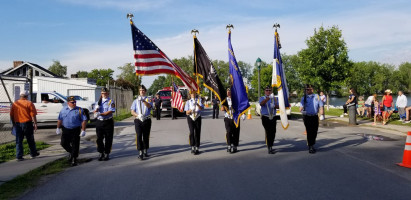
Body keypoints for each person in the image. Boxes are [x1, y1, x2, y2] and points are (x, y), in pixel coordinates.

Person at [56, 96, 88, 166]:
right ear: (68, 103)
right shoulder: (63, 110)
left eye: (75, 102)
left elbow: (84, 120)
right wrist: (58, 128)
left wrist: (83, 130)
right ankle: (72, 152)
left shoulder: (79, 110)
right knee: (63, 143)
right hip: (65, 129)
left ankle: (74, 159)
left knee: (75, 144)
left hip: (75, 129)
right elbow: (60, 119)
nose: (74, 103)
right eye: (72, 102)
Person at [10, 91, 39, 161]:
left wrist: (13, 123)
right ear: (26, 96)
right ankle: (33, 153)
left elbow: (11, 114)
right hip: (27, 123)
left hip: (18, 124)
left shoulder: (15, 103)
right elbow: (33, 115)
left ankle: (19, 156)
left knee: (19, 140)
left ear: (20, 96)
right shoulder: (29, 103)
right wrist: (35, 123)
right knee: (30, 139)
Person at [131, 85, 153, 160]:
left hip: (146, 119)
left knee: (146, 136)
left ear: (145, 91)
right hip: (138, 120)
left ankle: (145, 150)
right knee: (139, 135)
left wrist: (143, 101)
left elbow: (150, 106)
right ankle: (140, 152)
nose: (142, 91)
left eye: (143, 90)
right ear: (139, 91)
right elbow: (132, 111)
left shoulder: (149, 99)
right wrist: (137, 115)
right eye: (140, 90)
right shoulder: (135, 101)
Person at [299, 84, 323, 154]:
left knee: (315, 131)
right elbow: (300, 108)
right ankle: (310, 146)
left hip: (315, 116)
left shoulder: (317, 97)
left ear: (312, 89)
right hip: (307, 117)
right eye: (306, 89)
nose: (307, 90)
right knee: (309, 131)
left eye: (308, 89)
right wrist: (302, 111)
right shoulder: (304, 98)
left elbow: (321, 106)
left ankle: (312, 143)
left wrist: (321, 114)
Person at [94, 87, 115, 161]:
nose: (104, 94)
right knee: (99, 138)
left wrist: (101, 113)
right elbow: (95, 112)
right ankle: (101, 152)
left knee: (108, 138)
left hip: (108, 121)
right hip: (99, 121)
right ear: (101, 94)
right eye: (103, 93)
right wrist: (96, 110)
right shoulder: (98, 102)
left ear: (108, 93)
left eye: (106, 93)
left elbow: (111, 111)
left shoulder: (110, 101)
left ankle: (107, 153)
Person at [259, 86, 279, 154]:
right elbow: (262, 103)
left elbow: (279, 106)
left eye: (269, 90)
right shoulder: (262, 98)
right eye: (267, 90)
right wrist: (268, 98)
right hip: (265, 117)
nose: (268, 91)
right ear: (265, 91)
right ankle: (269, 147)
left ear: (271, 91)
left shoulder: (275, 98)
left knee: (273, 132)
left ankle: (271, 144)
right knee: (268, 131)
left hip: (273, 117)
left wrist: (275, 106)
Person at [221, 88, 241, 153]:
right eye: (228, 91)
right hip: (227, 118)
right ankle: (229, 145)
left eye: (230, 91)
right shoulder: (225, 100)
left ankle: (235, 145)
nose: (229, 92)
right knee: (229, 131)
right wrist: (225, 106)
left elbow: (240, 107)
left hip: (235, 118)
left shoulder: (236, 99)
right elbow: (221, 109)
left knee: (235, 132)